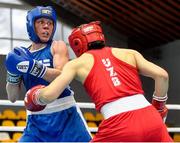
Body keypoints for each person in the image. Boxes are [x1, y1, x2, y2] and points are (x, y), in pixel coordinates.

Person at [23, 21, 173, 142]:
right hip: (152, 119)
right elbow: (162, 76)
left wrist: (35, 96)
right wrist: (159, 106)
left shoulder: (77, 63)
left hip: (119, 124)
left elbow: (49, 95)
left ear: (77, 44)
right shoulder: (130, 53)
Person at [5, 6, 92, 142]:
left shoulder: (57, 46)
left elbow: (63, 76)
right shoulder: (21, 57)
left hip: (66, 117)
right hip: (36, 122)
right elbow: (12, 97)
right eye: (41, 22)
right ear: (31, 25)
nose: (46, 27)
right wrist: (13, 74)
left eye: (50, 23)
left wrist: (33, 67)